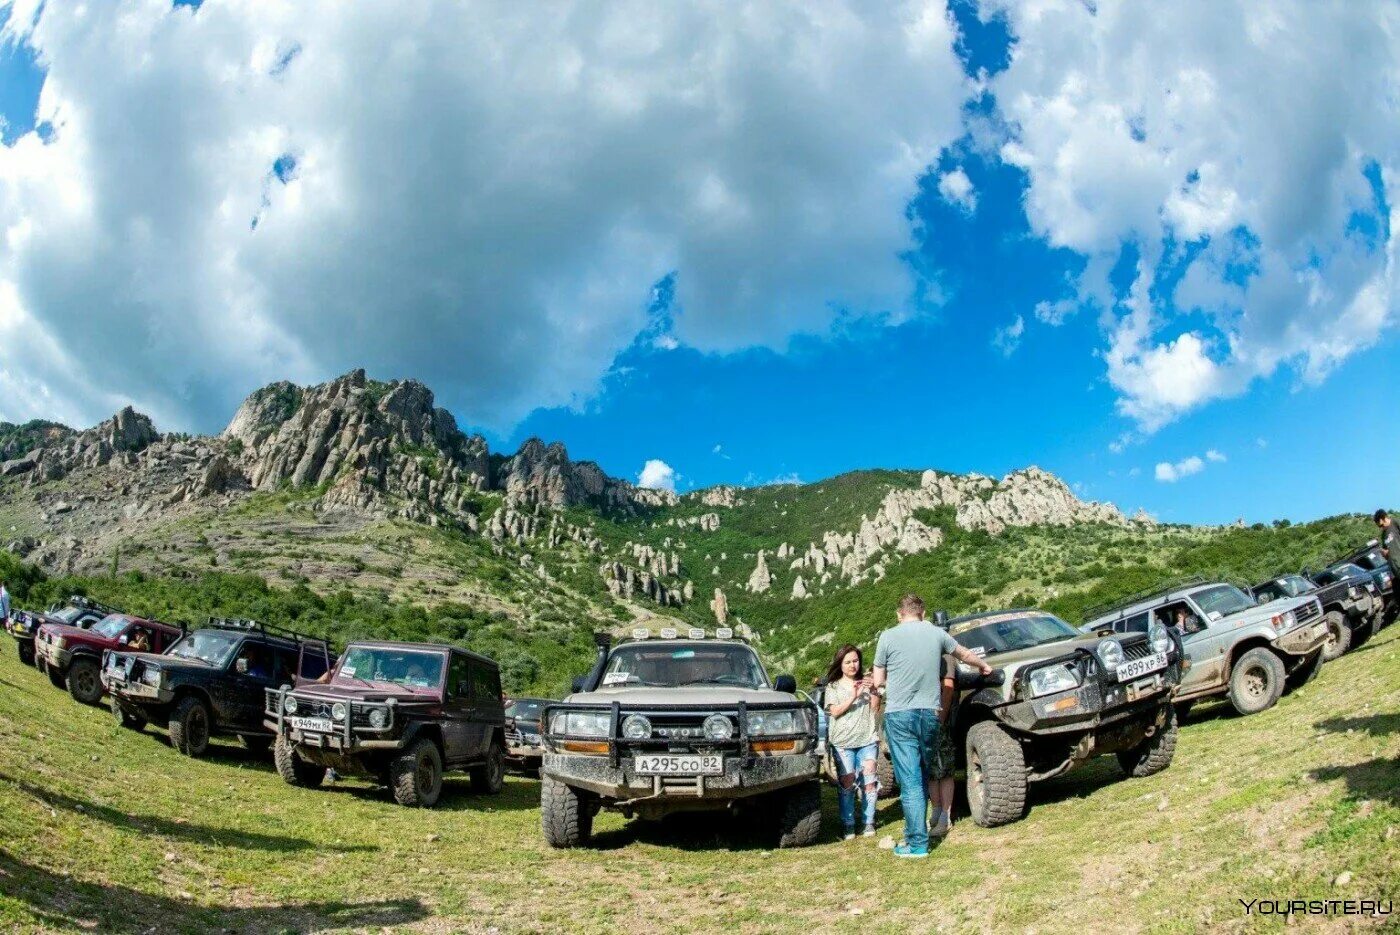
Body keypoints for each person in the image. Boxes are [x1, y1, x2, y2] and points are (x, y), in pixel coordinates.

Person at [872, 594, 992, 858]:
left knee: (911, 780)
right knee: (924, 773)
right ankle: (923, 827)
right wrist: (984, 666)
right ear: (922, 613)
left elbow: (879, 680)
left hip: (900, 715)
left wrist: (883, 686)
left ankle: (916, 843)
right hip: (929, 714)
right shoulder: (936, 633)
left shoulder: (887, 637)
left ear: (899, 614)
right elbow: (963, 654)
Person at [823, 644, 880, 840]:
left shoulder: (865, 682)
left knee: (870, 782)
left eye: (855, 661)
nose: (852, 665)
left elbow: (875, 709)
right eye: (847, 662)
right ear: (840, 664)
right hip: (843, 742)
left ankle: (869, 822)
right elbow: (835, 711)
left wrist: (873, 690)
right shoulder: (833, 686)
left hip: (867, 738)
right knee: (847, 784)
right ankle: (848, 824)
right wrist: (854, 696)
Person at [930, 651, 959, 838]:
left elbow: (948, 687)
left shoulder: (945, 657)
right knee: (931, 769)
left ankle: (945, 816)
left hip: (938, 717)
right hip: (923, 718)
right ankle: (936, 810)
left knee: (945, 768)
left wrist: (941, 718)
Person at [1377, 510, 1400, 576]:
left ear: (1384, 518)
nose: (1381, 528)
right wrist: (1384, 553)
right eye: (1379, 527)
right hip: (1396, 569)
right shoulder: (1383, 535)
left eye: (1381, 525)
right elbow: (1386, 553)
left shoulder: (1396, 522)